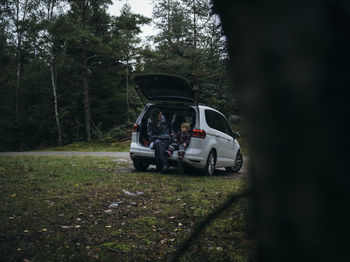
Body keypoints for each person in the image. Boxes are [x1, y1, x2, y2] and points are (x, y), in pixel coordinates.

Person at [147, 108, 172, 172]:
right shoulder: (150, 122)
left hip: (166, 139)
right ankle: (164, 165)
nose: (161, 117)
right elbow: (150, 133)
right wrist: (155, 137)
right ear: (155, 117)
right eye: (159, 116)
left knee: (158, 145)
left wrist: (172, 134)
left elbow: (170, 129)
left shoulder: (165, 120)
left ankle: (159, 167)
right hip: (156, 139)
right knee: (158, 143)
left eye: (161, 115)